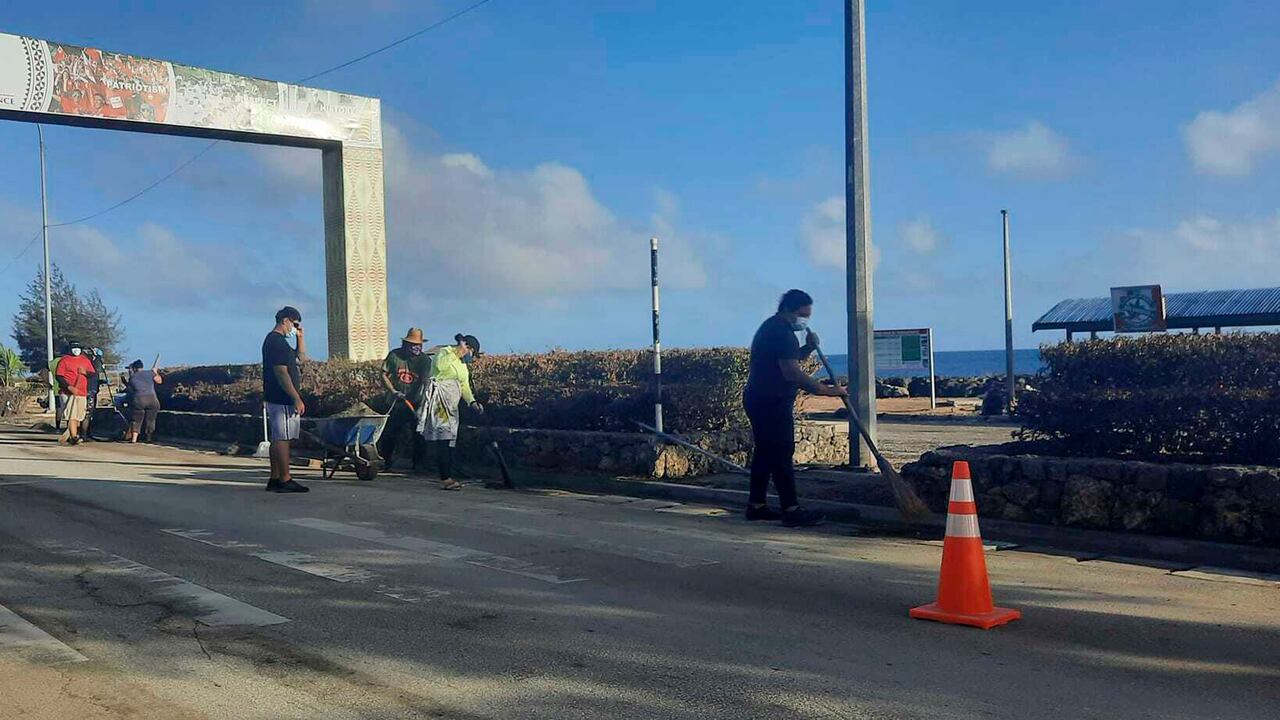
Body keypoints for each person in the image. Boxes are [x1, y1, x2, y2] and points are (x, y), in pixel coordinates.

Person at [742, 289, 847, 527]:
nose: (805, 321)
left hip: (759, 399)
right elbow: (792, 373)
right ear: (788, 309)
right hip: (771, 403)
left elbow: (788, 359)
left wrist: (808, 348)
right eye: (802, 315)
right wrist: (828, 391)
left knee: (765, 453)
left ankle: (756, 505)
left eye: (808, 316)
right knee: (781, 453)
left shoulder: (772, 328)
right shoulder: (782, 332)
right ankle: (791, 509)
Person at [417, 334, 484, 491]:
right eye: (471, 352)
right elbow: (440, 367)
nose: (471, 356)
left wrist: (472, 402)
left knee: (450, 438)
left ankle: (448, 472)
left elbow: (464, 386)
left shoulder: (463, 366)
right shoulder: (445, 353)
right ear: (466, 347)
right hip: (440, 402)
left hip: (452, 404)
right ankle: (445, 477)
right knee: (444, 437)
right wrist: (456, 353)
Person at [262, 306, 309, 493]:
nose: (294, 328)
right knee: (283, 438)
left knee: (278, 437)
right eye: (294, 324)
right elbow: (281, 372)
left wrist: (300, 338)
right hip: (282, 398)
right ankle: (285, 478)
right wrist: (296, 398)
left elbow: (301, 359)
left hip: (277, 397)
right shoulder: (276, 342)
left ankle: (274, 477)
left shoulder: (279, 342)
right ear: (285, 320)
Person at [378, 328, 431, 473]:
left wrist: (422, 401)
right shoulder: (394, 356)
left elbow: (425, 381)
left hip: (415, 404)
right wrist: (393, 391)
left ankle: (418, 465)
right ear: (405, 344)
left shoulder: (424, 360)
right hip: (395, 403)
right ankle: (386, 461)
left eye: (419, 345)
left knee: (419, 434)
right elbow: (383, 374)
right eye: (413, 345)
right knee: (390, 433)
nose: (417, 347)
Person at [54, 342, 96, 445]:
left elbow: (92, 374)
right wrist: (69, 387)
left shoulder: (85, 360)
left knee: (79, 417)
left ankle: (71, 434)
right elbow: (59, 376)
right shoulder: (64, 360)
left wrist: (84, 373)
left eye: (78, 348)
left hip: (81, 393)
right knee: (71, 415)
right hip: (67, 393)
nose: (76, 350)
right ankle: (74, 437)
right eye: (74, 348)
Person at [125, 359, 163, 443]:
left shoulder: (133, 377)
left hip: (139, 399)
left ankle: (134, 439)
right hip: (152, 398)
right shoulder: (150, 373)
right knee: (151, 419)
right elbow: (159, 381)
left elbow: (130, 389)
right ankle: (149, 437)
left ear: (134, 368)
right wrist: (155, 372)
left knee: (137, 419)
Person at [82, 348, 108, 440]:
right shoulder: (94, 364)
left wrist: (100, 381)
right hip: (90, 391)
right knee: (88, 414)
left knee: (88, 414)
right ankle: (84, 435)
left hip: (90, 390)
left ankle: (86, 433)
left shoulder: (88, 364)